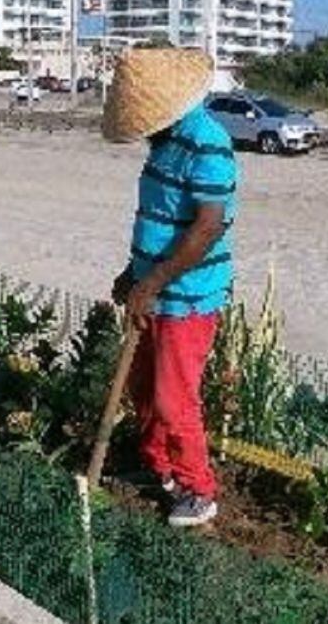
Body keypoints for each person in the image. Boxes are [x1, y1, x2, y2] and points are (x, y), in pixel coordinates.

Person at [102, 48, 238, 528]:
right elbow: (156, 225)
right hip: (152, 287)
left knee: (172, 399)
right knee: (142, 387)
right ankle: (158, 467)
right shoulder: (165, 143)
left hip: (189, 295)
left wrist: (154, 281)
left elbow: (206, 228)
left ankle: (198, 490)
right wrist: (133, 274)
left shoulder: (208, 142)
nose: (144, 132)